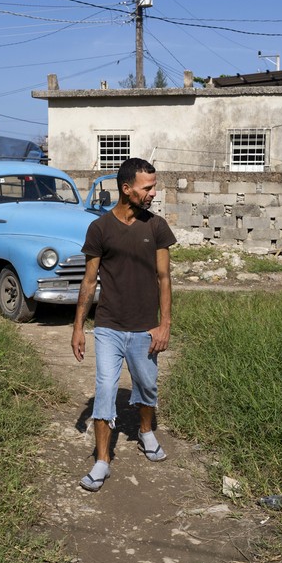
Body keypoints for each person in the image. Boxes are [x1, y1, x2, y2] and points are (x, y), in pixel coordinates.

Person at [71, 157, 176, 492]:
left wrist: (165, 324)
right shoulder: (99, 229)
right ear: (126, 188)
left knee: (146, 387)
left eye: (153, 186)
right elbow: (88, 283)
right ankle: (102, 461)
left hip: (146, 328)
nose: (153, 193)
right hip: (109, 327)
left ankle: (146, 432)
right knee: (104, 391)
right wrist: (78, 327)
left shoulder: (156, 227)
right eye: (148, 187)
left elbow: (164, 277)